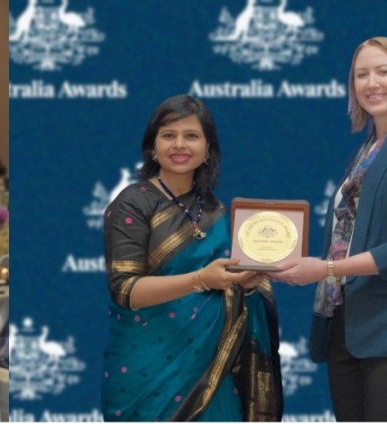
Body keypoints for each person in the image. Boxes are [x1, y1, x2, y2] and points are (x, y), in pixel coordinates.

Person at [269, 37, 387, 421]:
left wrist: (326, 270)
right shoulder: (366, 152)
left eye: (384, 72)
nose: (372, 83)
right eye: (361, 74)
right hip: (344, 331)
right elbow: (346, 238)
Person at [101, 94, 281, 421]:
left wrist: (248, 285)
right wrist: (201, 280)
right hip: (147, 369)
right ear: (152, 147)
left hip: (213, 369)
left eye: (192, 136)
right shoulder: (133, 203)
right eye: (168, 135)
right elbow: (125, 290)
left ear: (208, 149)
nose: (179, 145)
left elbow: (235, 288)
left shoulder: (217, 212)